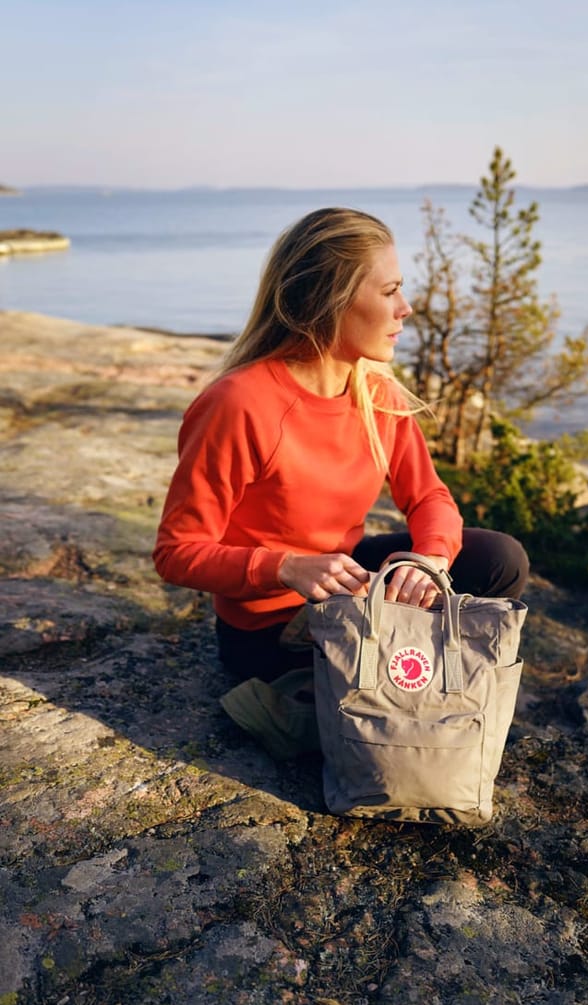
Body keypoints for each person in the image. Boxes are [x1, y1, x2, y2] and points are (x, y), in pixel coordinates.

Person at [153, 207, 529, 685]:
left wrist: (429, 559)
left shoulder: (375, 390)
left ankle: (437, 692)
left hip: (355, 586)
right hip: (274, 628)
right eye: (390, 291)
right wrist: (285, 568)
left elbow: (431, 497)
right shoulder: (239, 403)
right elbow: (177, 551)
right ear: (331, 300)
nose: (406, 308)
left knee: (499, 560)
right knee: (393, 689)